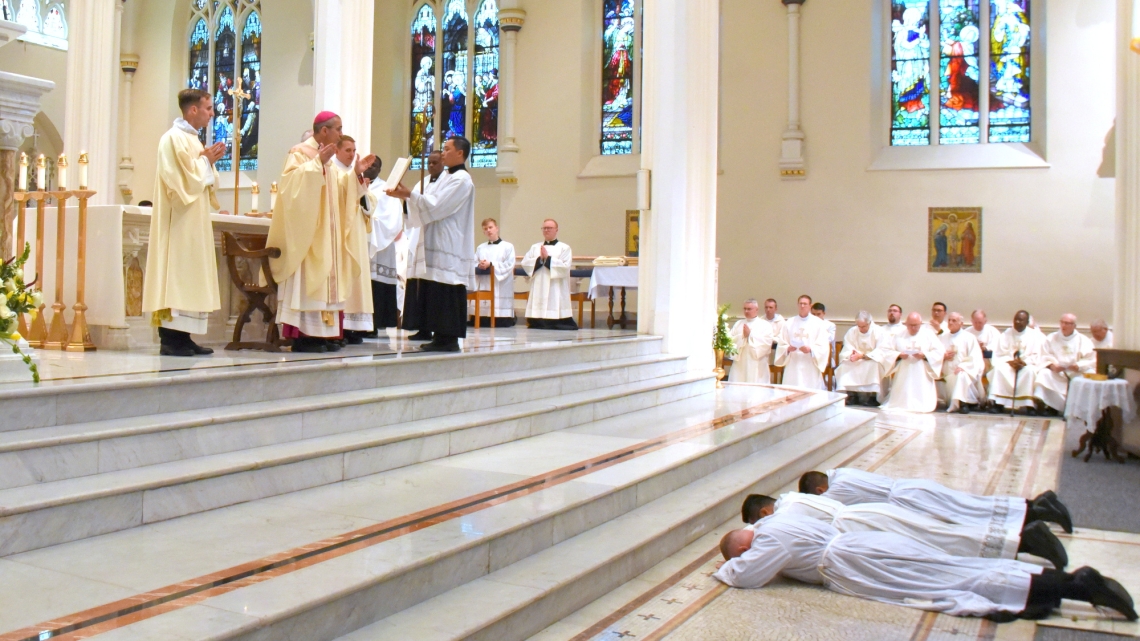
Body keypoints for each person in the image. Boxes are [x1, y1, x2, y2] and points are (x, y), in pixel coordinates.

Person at [714, 512, 1135, 622]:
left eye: (740, 552)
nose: (746, 557)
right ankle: (1054, 583)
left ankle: (1072, 586)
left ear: (743, 544)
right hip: (865, 544)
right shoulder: (778, 522)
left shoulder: (769, 540)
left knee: (950, 581)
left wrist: (725, 570)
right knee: (951, 566)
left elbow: (748, 576)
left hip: (858, 563)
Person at [269, 112, 375, 353]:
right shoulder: (300, 153)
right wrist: (316, 164)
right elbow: (290, 187)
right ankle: (305, 337)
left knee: (328, 281)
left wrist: (355, 174)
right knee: (310, 282)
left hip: (329, 235)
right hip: (309, 235)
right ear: (324, 130)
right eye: (338, 128)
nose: (340, 133)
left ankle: (323, 335)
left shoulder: (328, 158)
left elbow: (341, 191)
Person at [742, 492, 1067, 569]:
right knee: (940, 532)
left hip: (859, 526)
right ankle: (1025, 534)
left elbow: (778, 541)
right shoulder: (791, 497)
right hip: (866, 514)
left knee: (939, 539)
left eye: (760, 522)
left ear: (765, 512)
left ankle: (1025, 540)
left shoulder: (781, 513)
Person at [142, 88, 226, 357]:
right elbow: (179, 182)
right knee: (176, 275)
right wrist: (206, 162)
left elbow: (202, 178)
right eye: (208, 108)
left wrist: (208, 162)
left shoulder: (193, 140)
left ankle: (184, 337)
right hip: (177, 221)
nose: (212, 114)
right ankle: (170, 339)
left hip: (194, 220)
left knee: (189, 275)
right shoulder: (172, 139)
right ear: (193, 109)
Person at [386, 136, 477, 352]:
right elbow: (427, 202)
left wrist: (409, 194)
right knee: (436, 289)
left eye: (447, 149)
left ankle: (449, 339)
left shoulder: (462, 179)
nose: (443, 152)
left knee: (447, 288)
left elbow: (438, 206)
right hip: (435, 238)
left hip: (449, 241)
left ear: (460, 154)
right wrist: (406, 197)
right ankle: (440, 337)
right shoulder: (445, 176)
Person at [799, 468, 1073, 535]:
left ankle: (1037, 512)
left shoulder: (836, 491)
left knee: (967, 514)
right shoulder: (841, 473)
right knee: (971, 503)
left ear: (821, 491)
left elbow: (829, 510)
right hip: (911, 487)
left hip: (909, 499)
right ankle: (1035, 505)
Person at [332, 135, 376, 344]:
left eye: (353, 150)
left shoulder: (351, 173)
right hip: (341, 231)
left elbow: (367, 201)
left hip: (356, 230)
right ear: (338, 151)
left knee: (356, 277)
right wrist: (355, 176)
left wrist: (363, 189)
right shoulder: (333, 169)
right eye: (347, 150)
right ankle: (341, 326)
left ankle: (353, 327)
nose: (351, 154)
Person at [403, 151, 446, 342]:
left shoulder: (447, 182)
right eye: (429, 163)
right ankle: (421, 327)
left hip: (435, 238)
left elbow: (437, 206)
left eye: (435, 163)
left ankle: (433, 327)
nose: (431, 166)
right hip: (419, 235)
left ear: (443, 163)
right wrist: (404, 199)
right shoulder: (423, 182)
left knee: (433, 287)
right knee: (419, 284)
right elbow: (412, 205)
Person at [364, 157, 403, 334]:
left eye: (375, 165)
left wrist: (374, 227)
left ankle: (377, 321)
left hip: (381, 242)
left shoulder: (387, 188)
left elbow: (393, 216)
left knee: (377, 283)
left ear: (380, 169)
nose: (371, 167)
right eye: (369, 164)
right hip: (361, 241)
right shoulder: (354, 183)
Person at [880, 312, 945, 413]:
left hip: (922, 368)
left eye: (916, 325)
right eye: (910, 325)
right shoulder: (898, 335)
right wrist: (898, 355)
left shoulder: (928, 334)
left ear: (921, 323)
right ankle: (901, 403)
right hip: (904, 368)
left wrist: (924, 355)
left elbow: (939, 351)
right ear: (906, 324)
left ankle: (921, 403)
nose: (913, 328)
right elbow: (886, 351)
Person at [1035, 314, 1096, 416]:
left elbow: (1091, 358)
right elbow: (1044, 355)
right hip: (1057, 372)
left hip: (1076, 372)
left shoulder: (1083, 340)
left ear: (1074, 326)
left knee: (1090, 375)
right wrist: (1052, 365)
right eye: (1062, 322)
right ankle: (1052, 407)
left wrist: (1078, 365)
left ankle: (1078, 410)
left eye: (1067, 323)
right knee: (1044, 374)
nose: (1063, 325)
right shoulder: (1051, 338)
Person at [988, 310, 1048, 414]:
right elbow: (999, 354)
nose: (1017, 322)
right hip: (1009, 364)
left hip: (1027, 365)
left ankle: (1029, 405)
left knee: (1030, 371)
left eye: (1021, 320)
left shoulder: (1035, 336)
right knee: (999, 370)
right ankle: (999, 403)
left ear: (1027, 321)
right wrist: (1010, 361)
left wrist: (1024, 362)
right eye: (1016, 319)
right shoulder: (1006, 334)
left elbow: (1037, 355)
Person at [522, 219, 577, 330]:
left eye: (549, 228)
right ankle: (537, 321)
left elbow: (565, 267)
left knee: (554, 299)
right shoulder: (535, 247)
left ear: (556, 230)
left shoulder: (564, 248)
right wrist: (539, 259)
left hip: (555, 284)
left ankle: (555, 321)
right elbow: (525, 262)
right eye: (544, 228)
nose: (546, 230)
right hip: (539, 281)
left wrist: (548, 259)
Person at [834, 311, 896, 407]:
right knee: (845, 364)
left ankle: (872, 397)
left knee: (875, 365)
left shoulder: (879, 332)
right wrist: (853, 355)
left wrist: (863, 356)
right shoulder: (852, 331)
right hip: (857, 359)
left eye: (863, 326)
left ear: (869, 323)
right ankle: (852, 395)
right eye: (859, 326)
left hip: (872, 360)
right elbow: (848, 347)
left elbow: (882, 350)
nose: (861, 329)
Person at [773, 295, 830, 389]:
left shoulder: (818, 323)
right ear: (798, 305)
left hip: (810, 362)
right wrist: (787, 348)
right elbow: (782, 342)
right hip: (793, 362)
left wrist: (811, 349)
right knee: (791, 389)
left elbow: (823, 345)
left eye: (805, 304)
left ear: (810, 306)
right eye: (801, 304)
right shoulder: (789, 322)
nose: (802, 306)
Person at [471, 218, 516, 327]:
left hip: (500, 282)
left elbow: (509, 264)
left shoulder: (507, 246)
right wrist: (480, 264)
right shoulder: (481, 247)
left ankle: (501, 319)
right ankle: (481, 318)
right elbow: (473, 262)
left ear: (497, 228)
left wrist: (491, 264)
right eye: (485, 229)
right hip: (484, 281)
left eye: (490, 227)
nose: (488, 230)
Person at [938, 312, 985, 414]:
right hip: (947, 372)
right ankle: (964, 403)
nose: (950, 322)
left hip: (966, 371)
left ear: (961, 323)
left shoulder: (969, 337)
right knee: (958, 375)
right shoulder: (942, 337)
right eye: (949, 320)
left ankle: (962, 403)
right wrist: (944, 356)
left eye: (954, 320)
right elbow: (935, 354)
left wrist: (963, 367)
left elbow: (975, 357)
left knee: (961, 375)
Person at [728, 299, 778, 384]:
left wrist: (750, 335)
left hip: (757, 364)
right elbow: (730, 340)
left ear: (756, 310)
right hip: (740, 364)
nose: (746, 311)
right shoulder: (738, 324)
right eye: (745, 309)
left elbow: (766, 343)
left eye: (749, 309)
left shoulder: (765, 325)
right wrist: (743, 337)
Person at [811, 302, 838, 387]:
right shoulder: (808, 324)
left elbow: (829, 339)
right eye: (813, 314)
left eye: (818, 314)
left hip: (826, 355)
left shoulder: (830, 325)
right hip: (810, 354)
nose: (816, 317)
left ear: (824, 314)